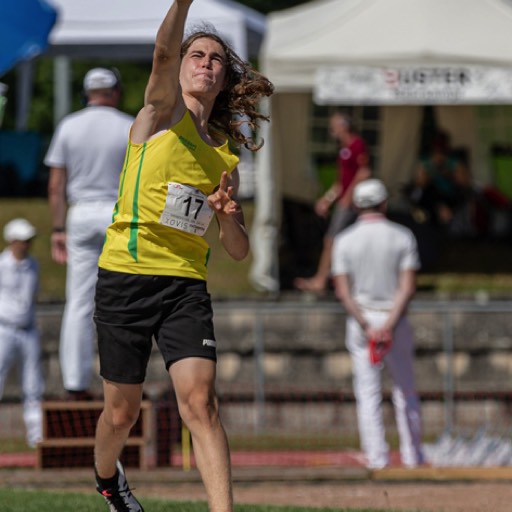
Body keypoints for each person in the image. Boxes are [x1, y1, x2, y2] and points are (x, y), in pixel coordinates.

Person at [91, 1, 274, 511]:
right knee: (121, 414)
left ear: (223, 80)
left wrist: (226, 214)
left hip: (183, 286)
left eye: (216, 60)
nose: (206, 64)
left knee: (201, 402)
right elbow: (162, 52)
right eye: (197, 55)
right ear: (182, 65)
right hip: (125, 275)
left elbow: (238, 252)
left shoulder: (224, 159)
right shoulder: (158, 113)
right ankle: (108, 478)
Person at [45, 67, 134, 400]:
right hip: (118, 212)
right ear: (115, 91)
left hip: (81, 212)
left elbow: (56, 185)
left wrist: (57, 227)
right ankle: (123, 376)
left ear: (86, 93)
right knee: (123, 298)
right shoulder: (129, 125)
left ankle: (75, 382)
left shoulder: (68, 125)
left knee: (80, 302)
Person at [332, 179, 425, 470]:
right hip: (394, 318)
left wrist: (367, 325)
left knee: (368, 393)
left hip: (363, 321)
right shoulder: (403, 236)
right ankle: (414, 456)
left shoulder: (344, 240)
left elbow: (343, 291)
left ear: (357, 205)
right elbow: (407, 287)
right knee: (405, 390)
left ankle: (377, 457)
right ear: (384, 203)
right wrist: (389, 324)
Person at [294, 111, 371, 294]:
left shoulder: (357, 145)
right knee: (338, 241)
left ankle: (321, 279)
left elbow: (364, 172)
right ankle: (334, 279)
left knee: (332, 240)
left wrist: (348, 197)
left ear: (344, 126)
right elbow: (340, 182)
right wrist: (327, 200)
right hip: (345, 201)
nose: (331, 131)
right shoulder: (344, 149)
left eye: (333, 127)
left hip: (351, 204)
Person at [0, 218, 44, 448]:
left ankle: (36, 437)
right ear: (11, 241)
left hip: (28, 330)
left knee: (33, 385)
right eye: (23, 241)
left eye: (29, 241)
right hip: (4, 329)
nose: (26, 245)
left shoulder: (33, 264)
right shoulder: (1, 264)